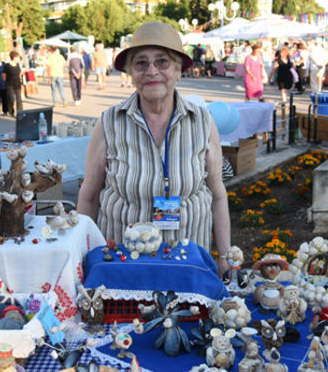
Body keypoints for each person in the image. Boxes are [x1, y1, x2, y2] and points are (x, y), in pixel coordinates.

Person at [77, 21, 231, 275]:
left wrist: (225, 257)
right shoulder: (109, 122)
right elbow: (88, 196)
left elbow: (218, 195)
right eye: (141, 63)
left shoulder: (203, 122)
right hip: (123, 263)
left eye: (162, 62)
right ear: (130, 72)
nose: (151, 71)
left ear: (178, 70)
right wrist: (81, 258)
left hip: (187, 261)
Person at [2, 51, 22, 116]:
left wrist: (20, 79)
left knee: (19, 99)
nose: (18, 59)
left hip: (17, 84)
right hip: (10, 84)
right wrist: (7, 82)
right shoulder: (7, 66)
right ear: (14, 57)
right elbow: (4, 76)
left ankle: (20, 112)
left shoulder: (18, 65)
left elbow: (19, 73)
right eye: (18, 57)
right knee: (11, 99)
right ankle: (11, 111)